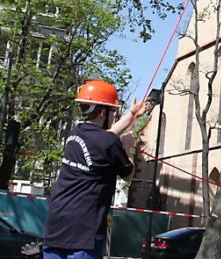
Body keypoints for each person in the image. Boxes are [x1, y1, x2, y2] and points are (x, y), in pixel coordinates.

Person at [43, 80, 148, 259]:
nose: (115, 116)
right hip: (85, 231)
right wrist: (127, 148)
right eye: (113, 111)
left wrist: (132, 115)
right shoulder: (109, 143)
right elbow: (128, 175)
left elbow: (106, 137)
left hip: (56, 227)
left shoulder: (76, 133)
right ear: (102, 112)